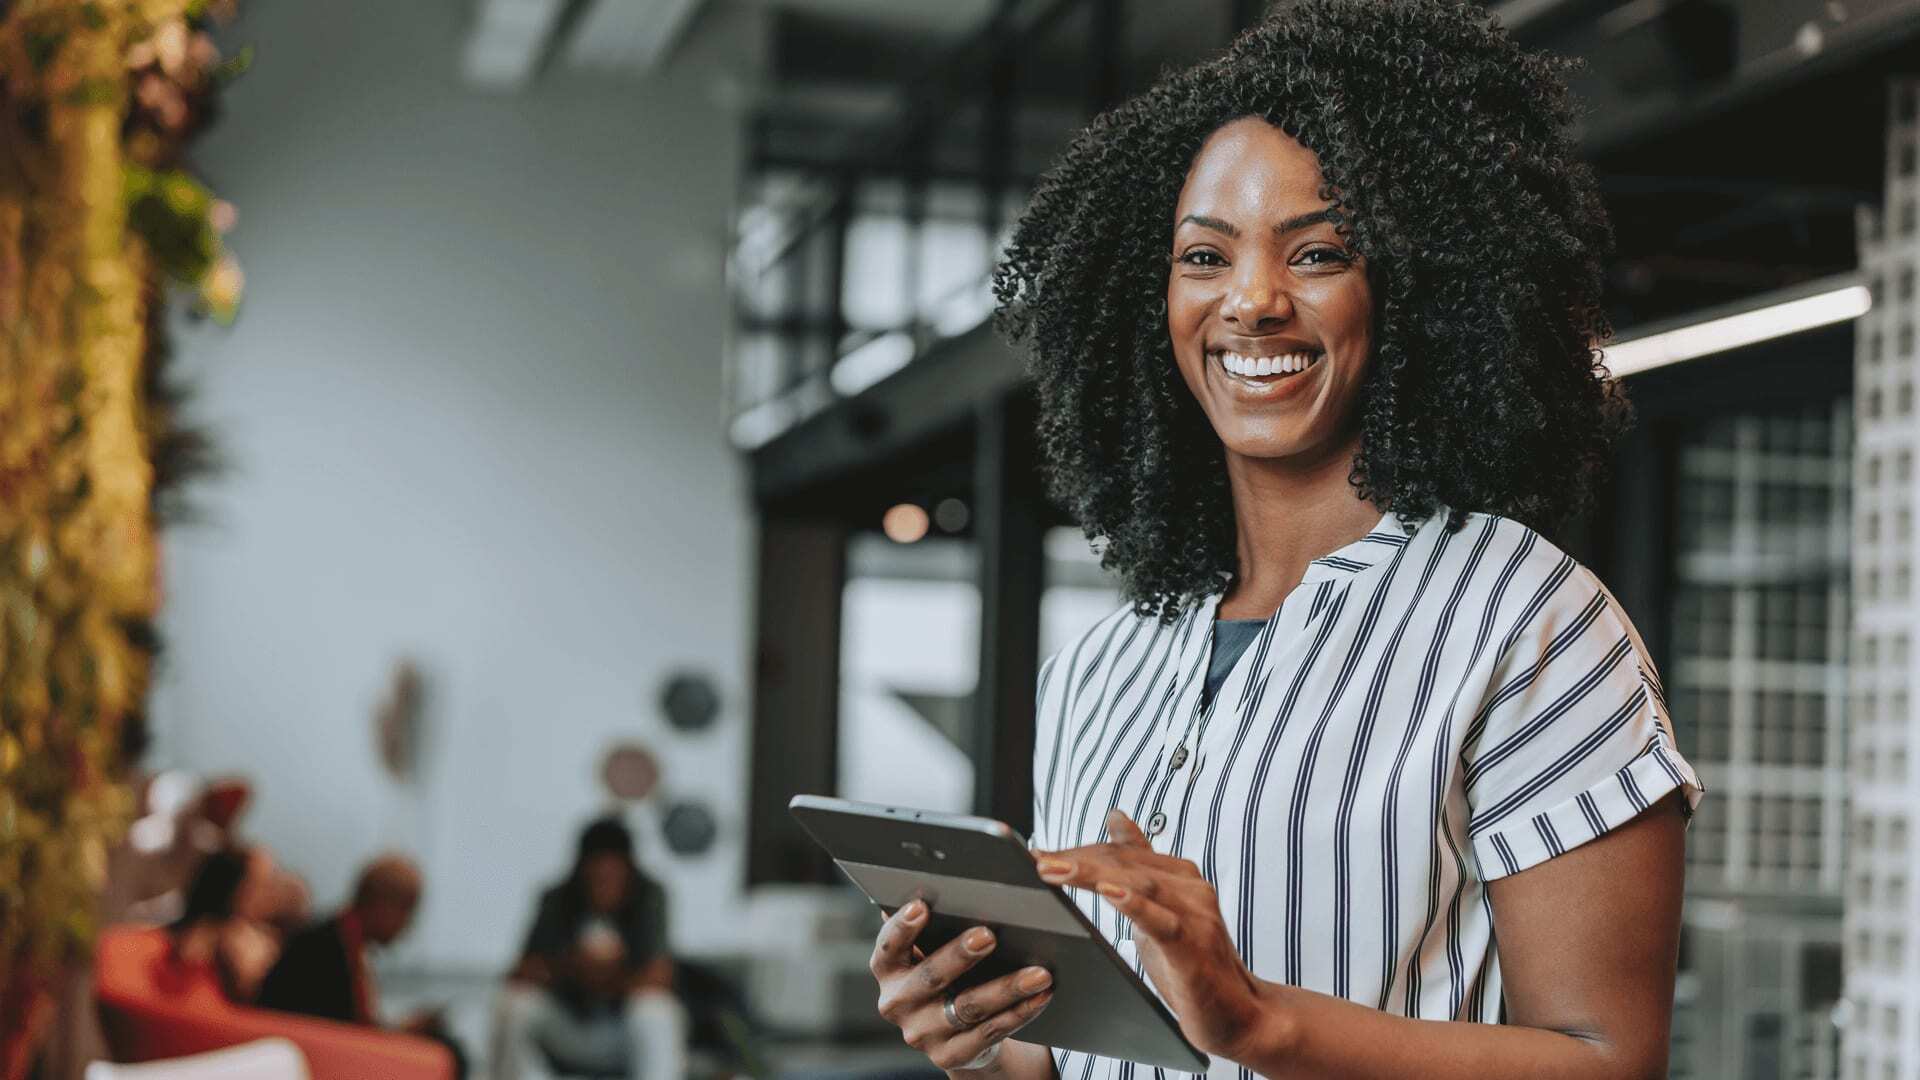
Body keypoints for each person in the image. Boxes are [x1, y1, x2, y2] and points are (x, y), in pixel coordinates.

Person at [868, 3, 1707, 1078]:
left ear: (1414, 286)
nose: (1253, 301)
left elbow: (1608, 1062)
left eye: (1316, 252)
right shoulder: (1099, 667)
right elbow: (1085, 1064)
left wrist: (1260, 1025)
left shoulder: (1528, 621)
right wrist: (980, 1039)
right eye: (1204, 257)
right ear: (1150, 298)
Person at [493, 817, 687, 1080]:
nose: (604, 883)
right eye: (597, 875)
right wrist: (573, 967)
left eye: (613, 876)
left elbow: (660, 976)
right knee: (515, 1005)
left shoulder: (649, 897)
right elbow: (521, 972)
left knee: (657, 1012)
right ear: (582, 870)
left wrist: (611, 976)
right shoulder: (557, 899)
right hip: (570, 1023)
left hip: (620, 1029)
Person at [167, 846, 284, 1003]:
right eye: (260, 885)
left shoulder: (260, 942)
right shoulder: (197, 936)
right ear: (232, 886)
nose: (269, 894)